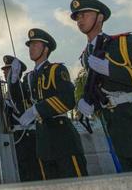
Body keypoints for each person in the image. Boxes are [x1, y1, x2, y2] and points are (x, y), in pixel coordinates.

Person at [70, 0, 132, 172]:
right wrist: (88, 101)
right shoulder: (84, 56)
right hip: (113, 124)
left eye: (84, 14)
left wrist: (110, 69)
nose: (80, 20)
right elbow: (99, 86)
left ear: (100, 17)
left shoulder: (123, 42)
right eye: (77, 17)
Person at [16, 28, 88, 179]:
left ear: (46, 48)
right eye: (30, 45)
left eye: (35, 44)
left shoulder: (56, 70)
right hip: (43, 141)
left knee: (76, 182)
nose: (31, 48)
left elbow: (68, 100)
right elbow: (19, 99)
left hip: (62, 136)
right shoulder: (29, 77)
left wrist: (37, 110)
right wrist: (12, 81)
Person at [1, 55, 42, 182]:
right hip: (17, 136)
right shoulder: (9, 91)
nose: (4, 72)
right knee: (22, 171)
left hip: (28, 136)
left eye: (8, 69)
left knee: (33, 171)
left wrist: (13, 80)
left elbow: (17, 95)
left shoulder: (23, 87)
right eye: (4, 70)